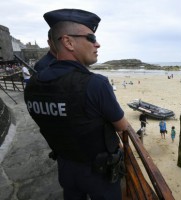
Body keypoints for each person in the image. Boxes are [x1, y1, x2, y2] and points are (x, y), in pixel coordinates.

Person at [24, 8, 129, 200]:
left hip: (66, 167)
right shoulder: (95, 84)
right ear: (68, 42)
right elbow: (122, 126)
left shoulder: (32, 85)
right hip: (100, 174)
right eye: (91, 37)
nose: (97, 44)